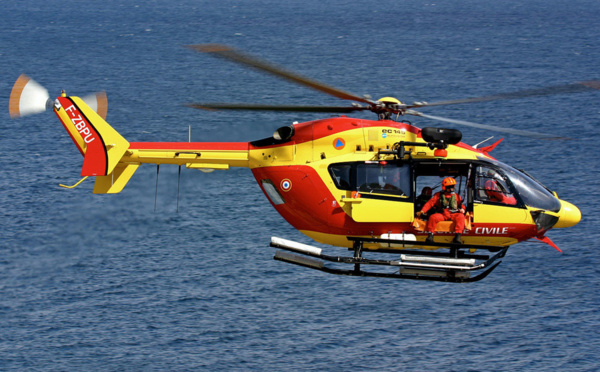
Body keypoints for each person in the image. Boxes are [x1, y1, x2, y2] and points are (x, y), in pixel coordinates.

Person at [416, 177, 465, 244]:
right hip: (442, 214)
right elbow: (430, 203)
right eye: (449, 187)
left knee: (461, 217)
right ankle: (430, 236)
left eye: (452, 186)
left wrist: (463, 209)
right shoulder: (438, 195)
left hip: (453, 214)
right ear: (445, 187)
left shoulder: (457, 196)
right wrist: (423, 211)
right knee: (433, 217)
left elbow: (461, 205)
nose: (451, 188)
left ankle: (457, 237)